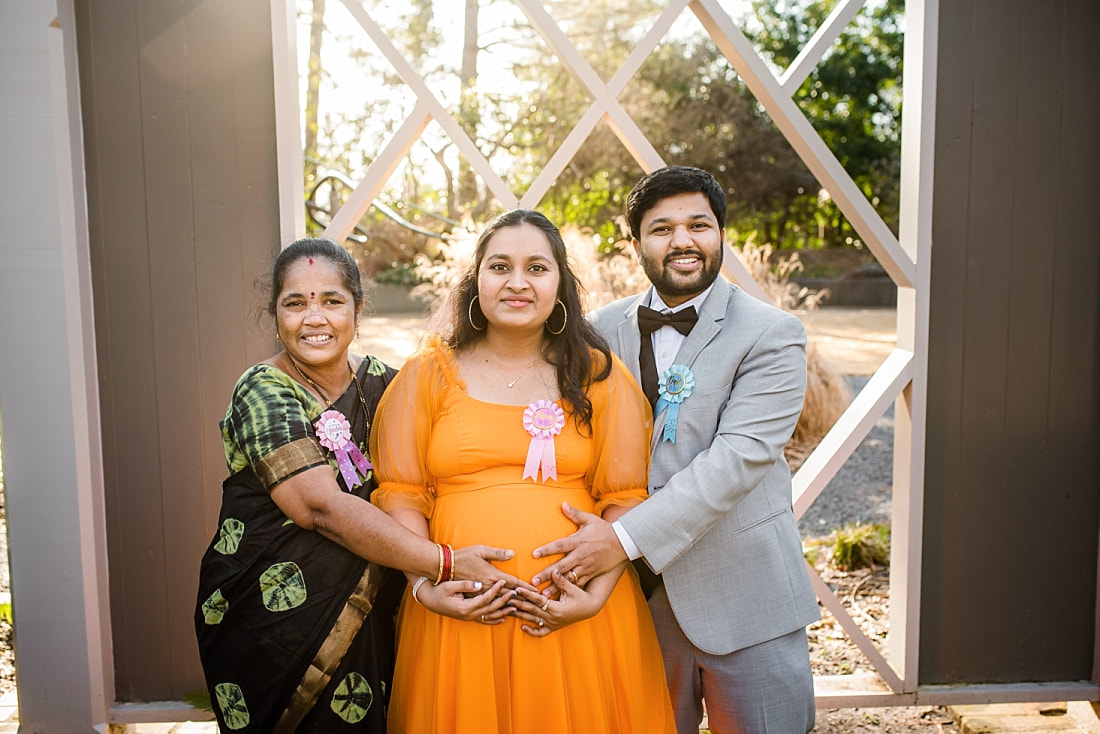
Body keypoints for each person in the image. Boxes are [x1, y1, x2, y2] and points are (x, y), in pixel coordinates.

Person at [531, 166, 820, 734]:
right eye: (662, 228)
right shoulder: (595, 331)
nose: (682, 240)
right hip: (629, 603)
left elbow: (737, 459)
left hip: (744, 597)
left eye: (699, 225)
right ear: (635, 242)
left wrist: (618, 539)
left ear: (720, 235)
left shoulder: (772, 334)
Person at [194, 238, 522, 733]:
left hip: (376, 616)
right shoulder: (264, 390)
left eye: (331, 301)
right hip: (272, 625)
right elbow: (317, 506)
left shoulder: (390, 386)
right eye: (295, 303)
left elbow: (439, 473)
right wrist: (444, 564)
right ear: (275, 313)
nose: (314, 318)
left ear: (357, 308)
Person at [369, 209, 676, 733]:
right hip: (458, 611)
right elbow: (401, 494)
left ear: (560, 284)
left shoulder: (597, 374)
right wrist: (425, 583)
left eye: (537, 267)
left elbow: (625, 496)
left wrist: (594, 595)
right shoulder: (429, 373)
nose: (517, 282)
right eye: (499, 267)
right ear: (476, 281)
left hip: (580, 614)